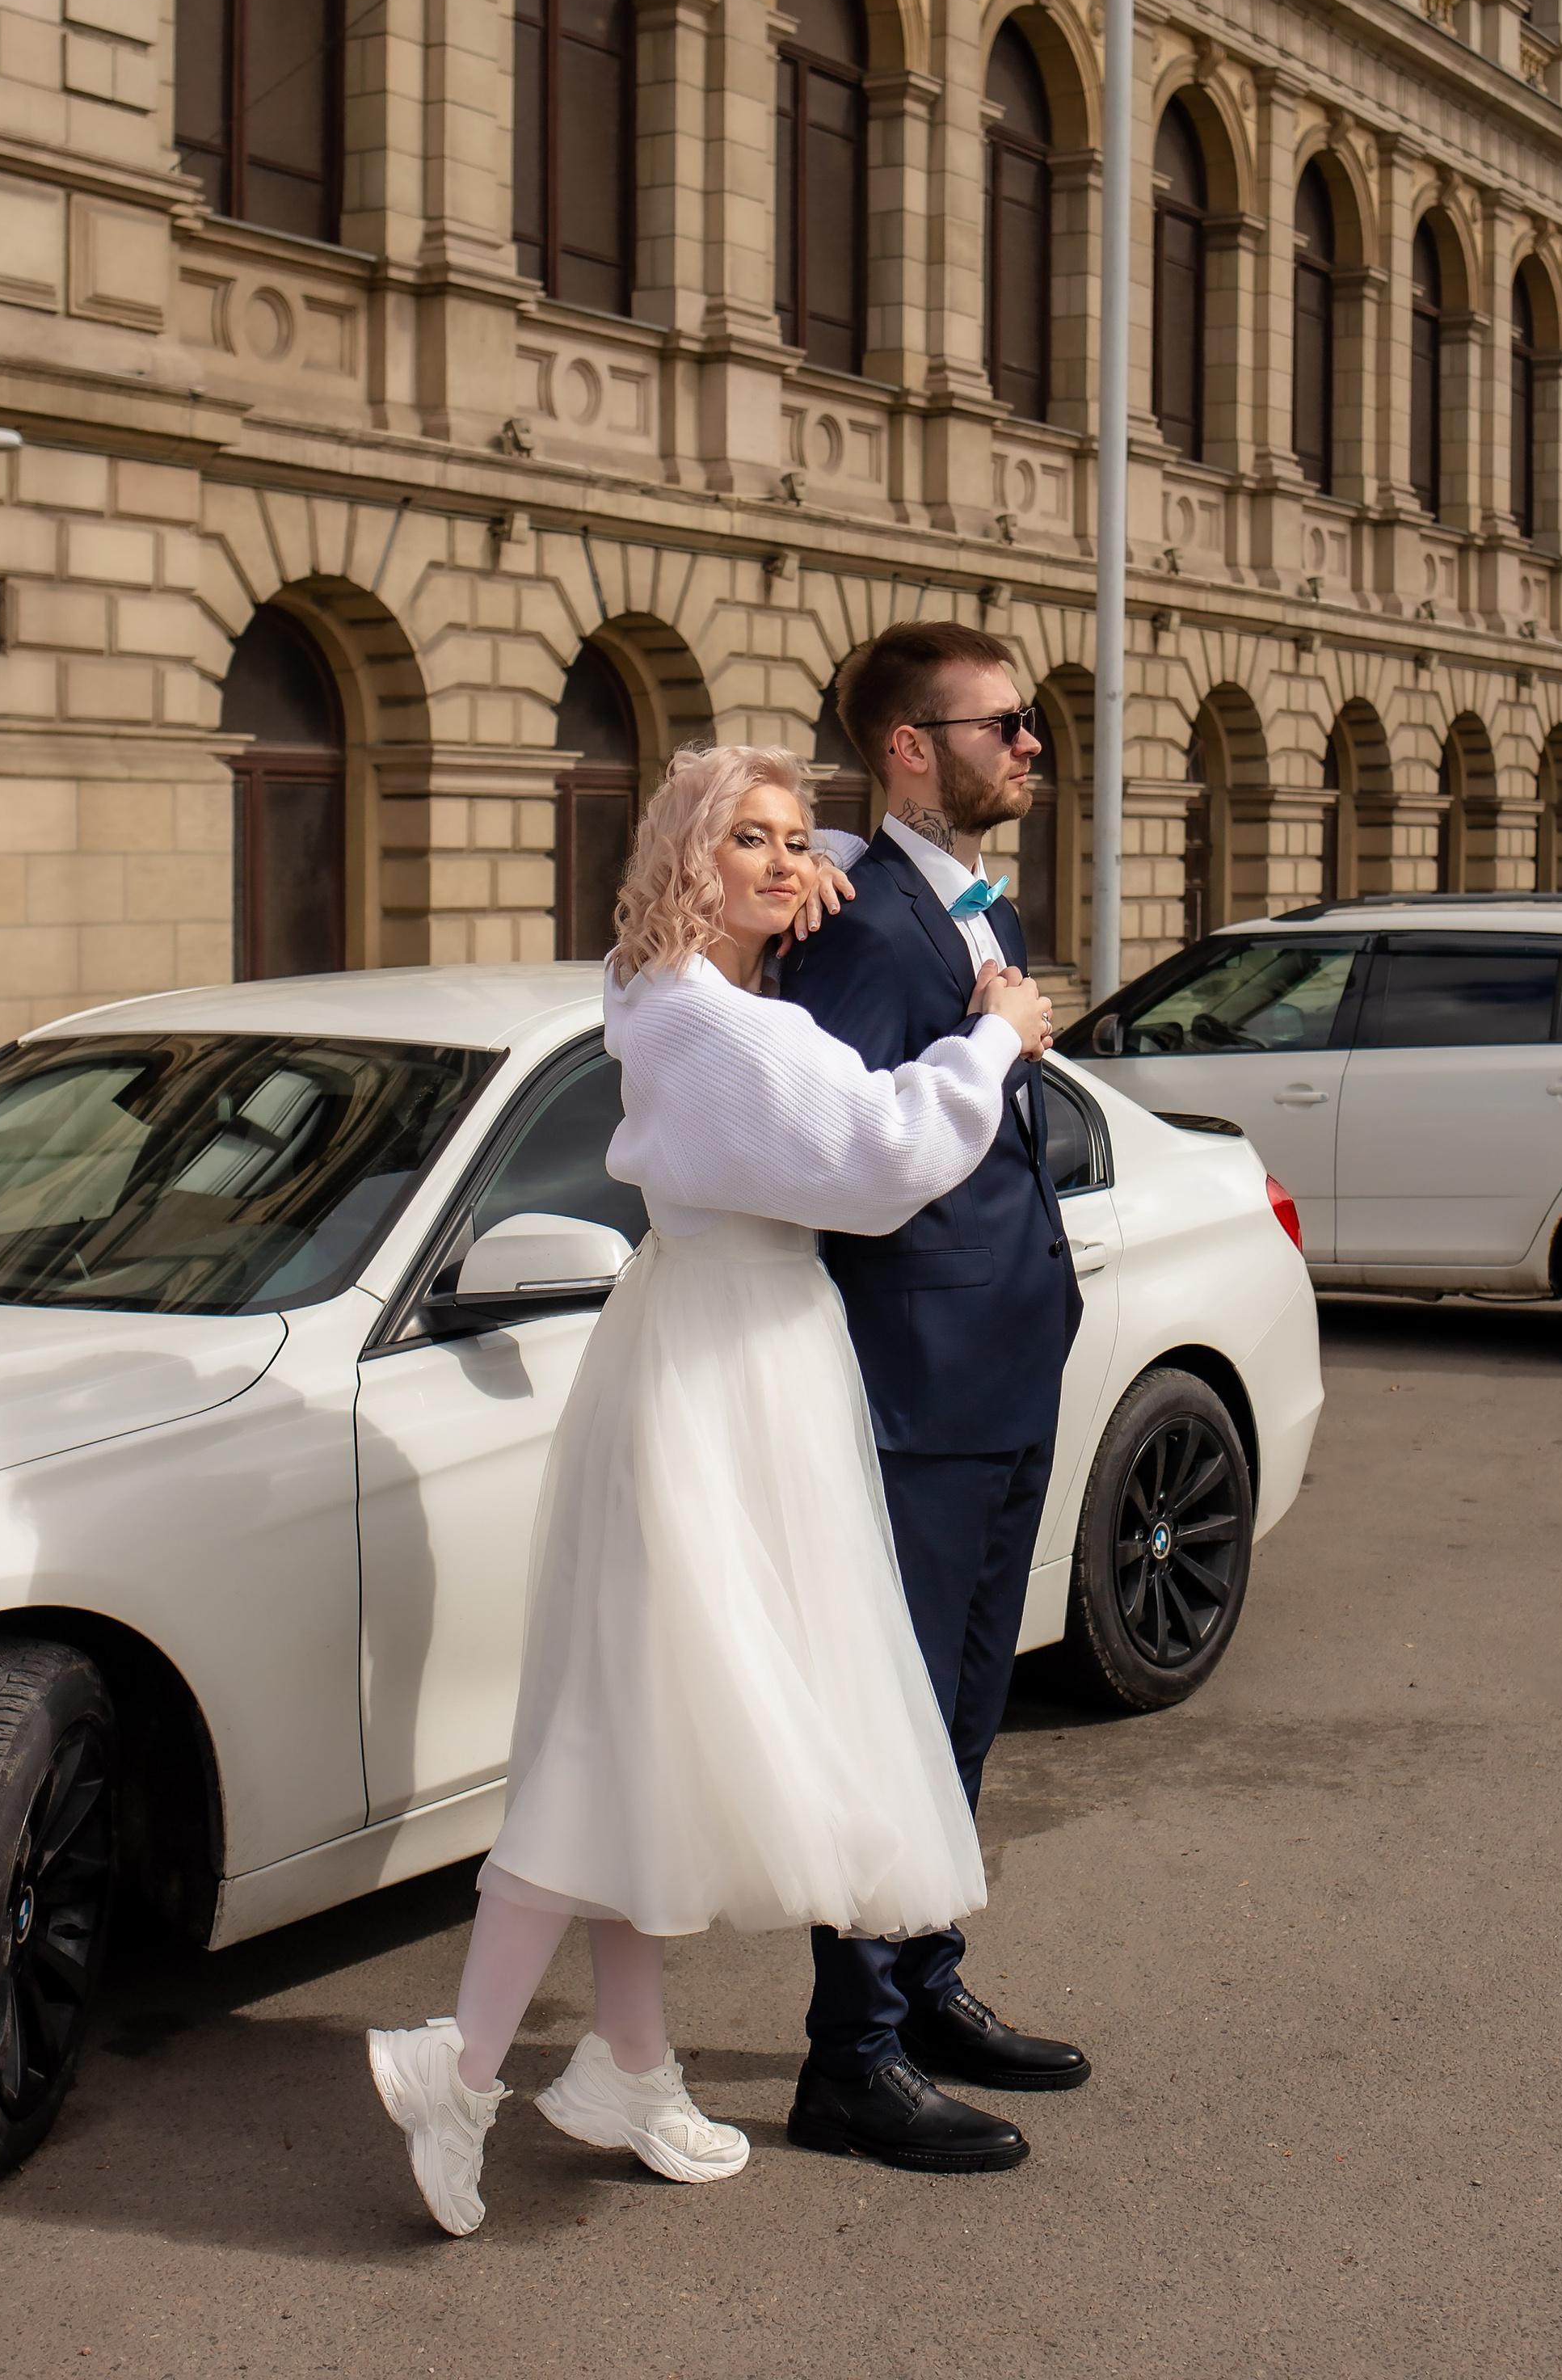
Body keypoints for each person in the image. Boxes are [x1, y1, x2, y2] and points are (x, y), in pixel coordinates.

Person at [365, 741, 1053, 2235]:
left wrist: (824, 868)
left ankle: (629, 2067)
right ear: (689, 853)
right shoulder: (704, 1023)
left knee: (661, 1725)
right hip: (720, 1370)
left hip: (740, 1353)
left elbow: (820, 937)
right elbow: (877, 1157)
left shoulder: (692, 998)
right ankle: (462, 2065)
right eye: (749, 837)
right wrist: (997, 1036)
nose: (786, 861)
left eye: (798, 838)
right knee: (622, 1725)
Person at [779, 622, 1089, 2173]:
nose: (1031, 747)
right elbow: (846, 1162)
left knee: (967, 1711)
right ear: (913, 746)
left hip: (1005, 1372)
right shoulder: (863, 931)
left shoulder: (968, 903)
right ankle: (852, 2057)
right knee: (896, 1721)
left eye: (1029, 726)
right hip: (916, 1388)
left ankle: (926, 1980)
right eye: (1005, 726)